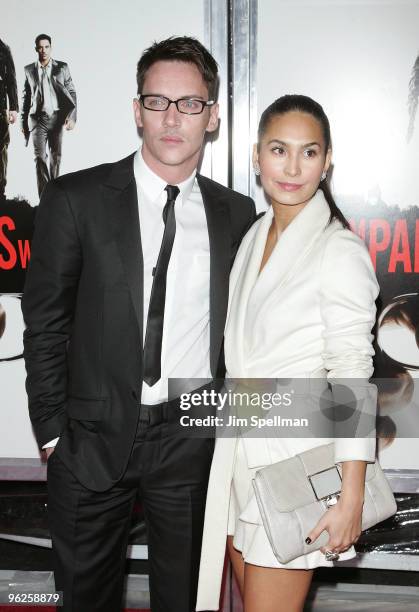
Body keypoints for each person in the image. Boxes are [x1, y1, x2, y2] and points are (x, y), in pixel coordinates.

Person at [22, 36, 255, 612]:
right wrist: (53, 435)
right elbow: (45, 324)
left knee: (187, 599)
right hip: (90, 441)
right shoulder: (75, 199)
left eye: (190, 104)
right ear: (136, 111)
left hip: (191, 437)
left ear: (213, 117)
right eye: (158, 102)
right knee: (85, 599)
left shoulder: (237, 214)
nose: (173, 118)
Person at [196, 95, 379, 612]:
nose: (293, 167)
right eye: (279, 150)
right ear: (257, 157)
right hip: (237, 466)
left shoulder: (338, 249)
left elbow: (352, 378)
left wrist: (350, 497)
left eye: (309, 152)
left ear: (327, 161)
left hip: (294, 473)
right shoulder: (255, 234)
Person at [21, 34, 77, 197]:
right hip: (38, 120)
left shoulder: (62, 67)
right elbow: (26, 98)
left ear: (50, 48)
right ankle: (45, 198)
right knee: (39, 158)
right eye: (40, 47)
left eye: (46, 47)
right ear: (36, 49)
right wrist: (23, 124)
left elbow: (71, 91)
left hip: (57, 118)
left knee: (55, 158)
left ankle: (54, 196)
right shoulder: (29, 70)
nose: (43, 50)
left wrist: (72, 116)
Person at [0, 38, 19, 200]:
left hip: (0, 107)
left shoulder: (4, 49)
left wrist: (13, 107)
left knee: (1, 147)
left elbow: (11, 79)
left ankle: (0, 191)